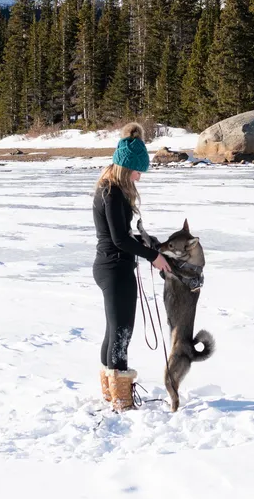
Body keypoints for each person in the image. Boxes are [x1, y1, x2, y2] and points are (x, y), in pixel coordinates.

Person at [92, 122, 171, 411]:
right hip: (114, 269)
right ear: (127, 167)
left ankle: (110, 393)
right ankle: (122, 400)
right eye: (138, 171)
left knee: (114, 331)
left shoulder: (112, 190)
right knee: (122, 333)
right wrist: (154, 257)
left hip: (113, 266)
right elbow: (119, 239)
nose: (140, 176)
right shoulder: (111, 193)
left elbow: (123, 237)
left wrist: (148, 242)